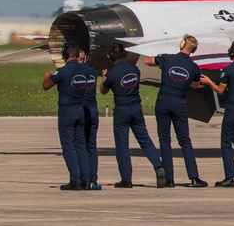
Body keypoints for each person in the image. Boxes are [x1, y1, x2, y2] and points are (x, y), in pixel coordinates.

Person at [144, 34, 208, 188]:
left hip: (163, 100)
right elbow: (194, 85)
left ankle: (169, 179)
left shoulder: (167, 58)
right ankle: (193, 177)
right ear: (194, 50)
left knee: (164, 140)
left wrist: (162, 66)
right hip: (178, 101)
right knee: (184, 140)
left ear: (181, 44)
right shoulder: (194, 67)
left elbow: (148, 61)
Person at [99, 44, 166, 188]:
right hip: (136, 107)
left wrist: (104, 78)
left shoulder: (112, 73)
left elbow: (103, 90)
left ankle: (126, 179)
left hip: (122, 109)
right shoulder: (135, 69)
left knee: (122, 145)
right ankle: (158, 166)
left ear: (111, 58)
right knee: (145, 140)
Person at [199, 41, 234, 187]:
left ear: (231, 53)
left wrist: (210, 82)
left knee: (226, 143)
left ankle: (231, 176)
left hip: (233, 109)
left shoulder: (228, 70)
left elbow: (221, 91)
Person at [41, 41, 92, 190]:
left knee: (68, 146)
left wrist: (46, 76)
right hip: (81, 109)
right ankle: (86, 180)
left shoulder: (61, 71)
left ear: (65, 55)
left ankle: (75, 180)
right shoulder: (86, 70)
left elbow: (46, 86)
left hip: (67, 111)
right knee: (81, 145)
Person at [79, 50, 101, 190]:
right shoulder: (92, 72)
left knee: (80, 145)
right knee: (91, 146)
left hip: (82, 109)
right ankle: (93, 178)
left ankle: (84, 178)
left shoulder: (74, 72)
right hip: (93, 109)